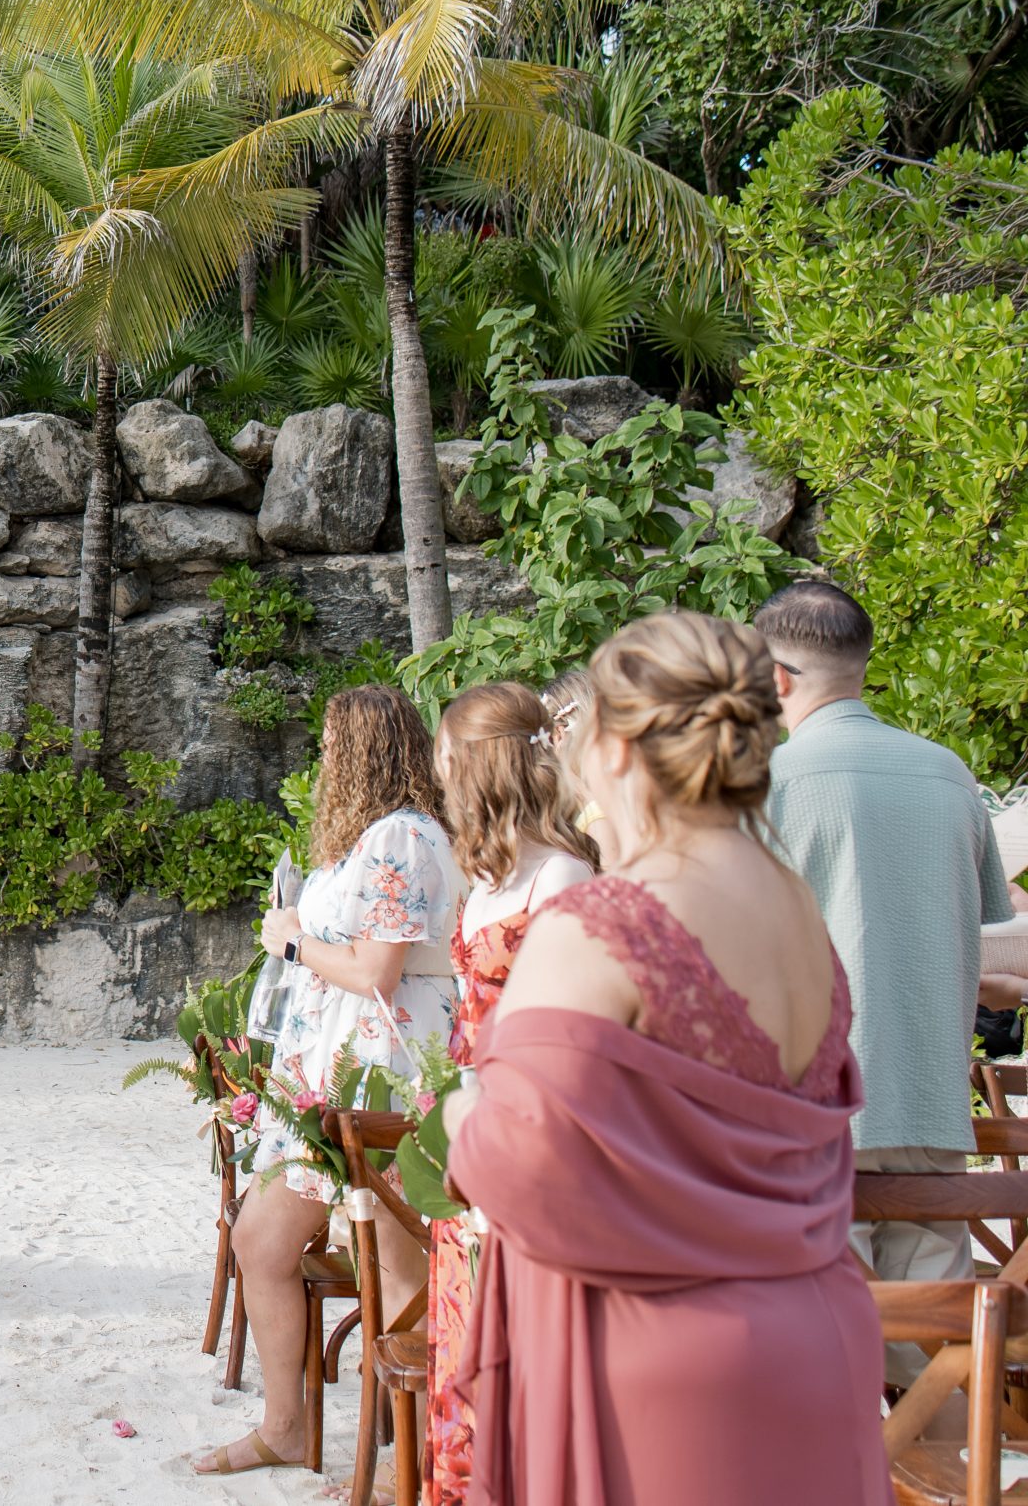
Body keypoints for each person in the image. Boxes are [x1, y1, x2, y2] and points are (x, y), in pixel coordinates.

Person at [444, 610, 886, 1505]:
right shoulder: (799, 906)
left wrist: (458, 1114)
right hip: (819, 1336)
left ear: (610, 752)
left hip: (669, 1372)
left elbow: (512, 1162)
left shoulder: (603, 923)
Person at [194, 685, 459, 1477]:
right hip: (336, 1077)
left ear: (366, 751)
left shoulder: (404, 838)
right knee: (283, 1239)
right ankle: (292, 1425)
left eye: (333, 744)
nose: (323, 758)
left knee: (395, 1263)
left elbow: (379, 968)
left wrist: (290, 943)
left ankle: (422, 1457)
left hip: (379, 1077)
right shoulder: (374, 838)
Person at [754, 579, 1009, 1388]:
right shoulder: (949, 775)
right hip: (934, 1108)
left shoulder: (768, 783)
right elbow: (987, 935)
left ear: (778, 677)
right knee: (929, 1367)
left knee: (824, 1367)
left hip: (813, 1112)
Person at [423, 682, 596, 1506]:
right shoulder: (490, 874)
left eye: (449, 757)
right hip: (471, 1135)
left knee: (516, 1371)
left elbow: (570, 1035)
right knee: (459, 1359)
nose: (440, 771)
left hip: (530, 1144)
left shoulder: (562, 875)